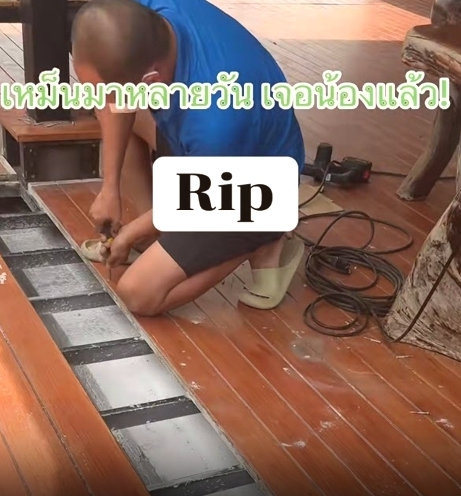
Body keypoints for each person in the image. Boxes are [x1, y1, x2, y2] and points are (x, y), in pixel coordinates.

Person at [70, 0, 306, 316]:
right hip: (206, 155)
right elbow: (116, 104)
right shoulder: (141, 15)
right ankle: (156, 238)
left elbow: (196, 195)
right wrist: (109, 187)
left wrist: (129, 233)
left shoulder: (219, 122)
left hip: (250, 188)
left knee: (138, 294)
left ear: (151, 80)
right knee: (125, 114)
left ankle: (266, 239)